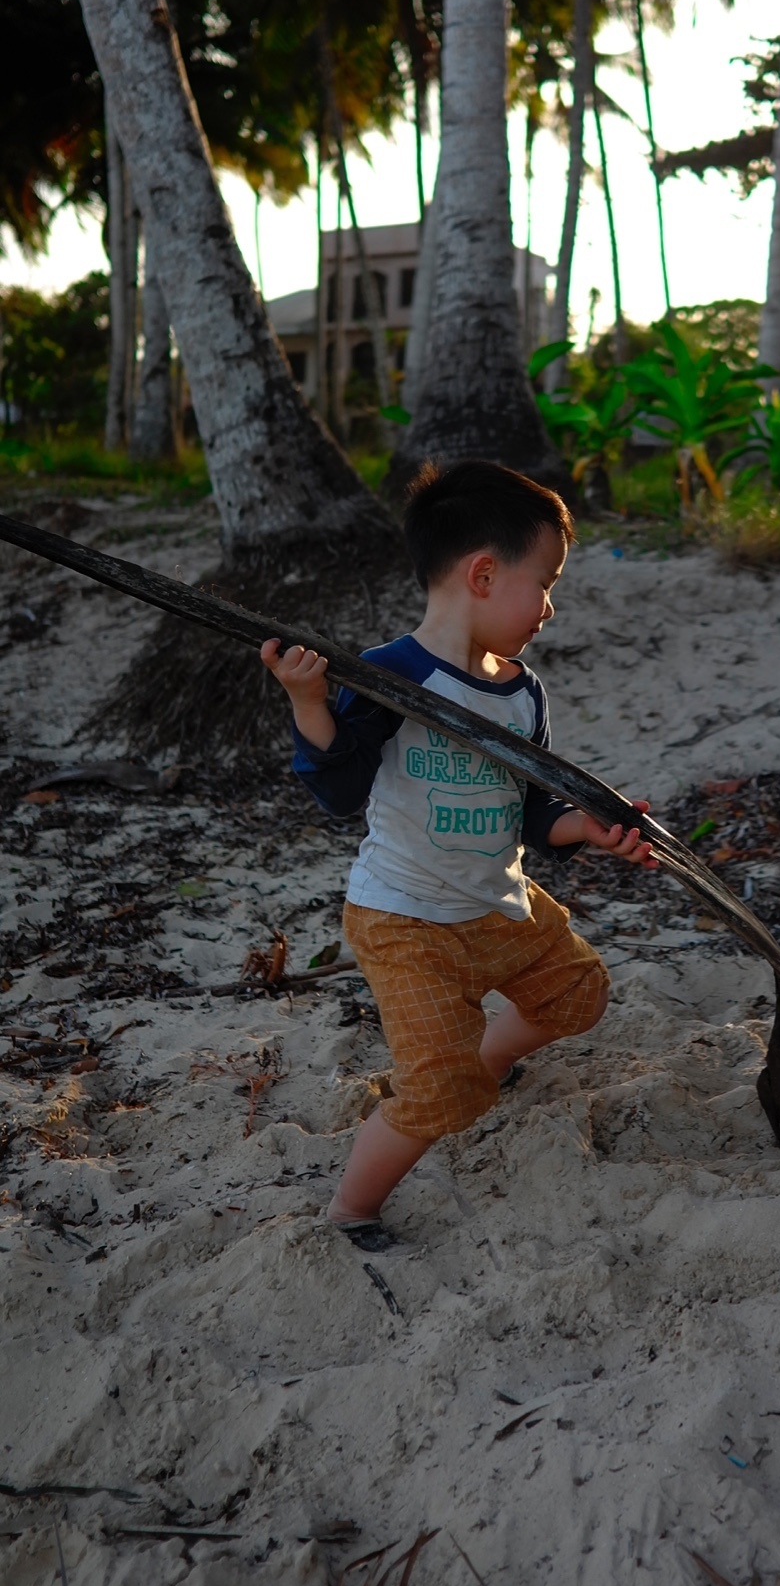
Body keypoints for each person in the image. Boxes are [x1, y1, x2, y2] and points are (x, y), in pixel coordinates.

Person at [261, 458, 655, 1250]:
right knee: (439, 1090)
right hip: (407, 916)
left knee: (578, 993)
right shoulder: (390, 674)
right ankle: (351, 1209)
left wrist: (587, 827)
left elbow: (535, 808)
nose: (548, 606)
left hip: (497, 900)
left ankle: (487, 1056)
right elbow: (339, 791)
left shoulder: (521, 692)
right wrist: (310, 702)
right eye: (543, 582)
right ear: (482, 573)